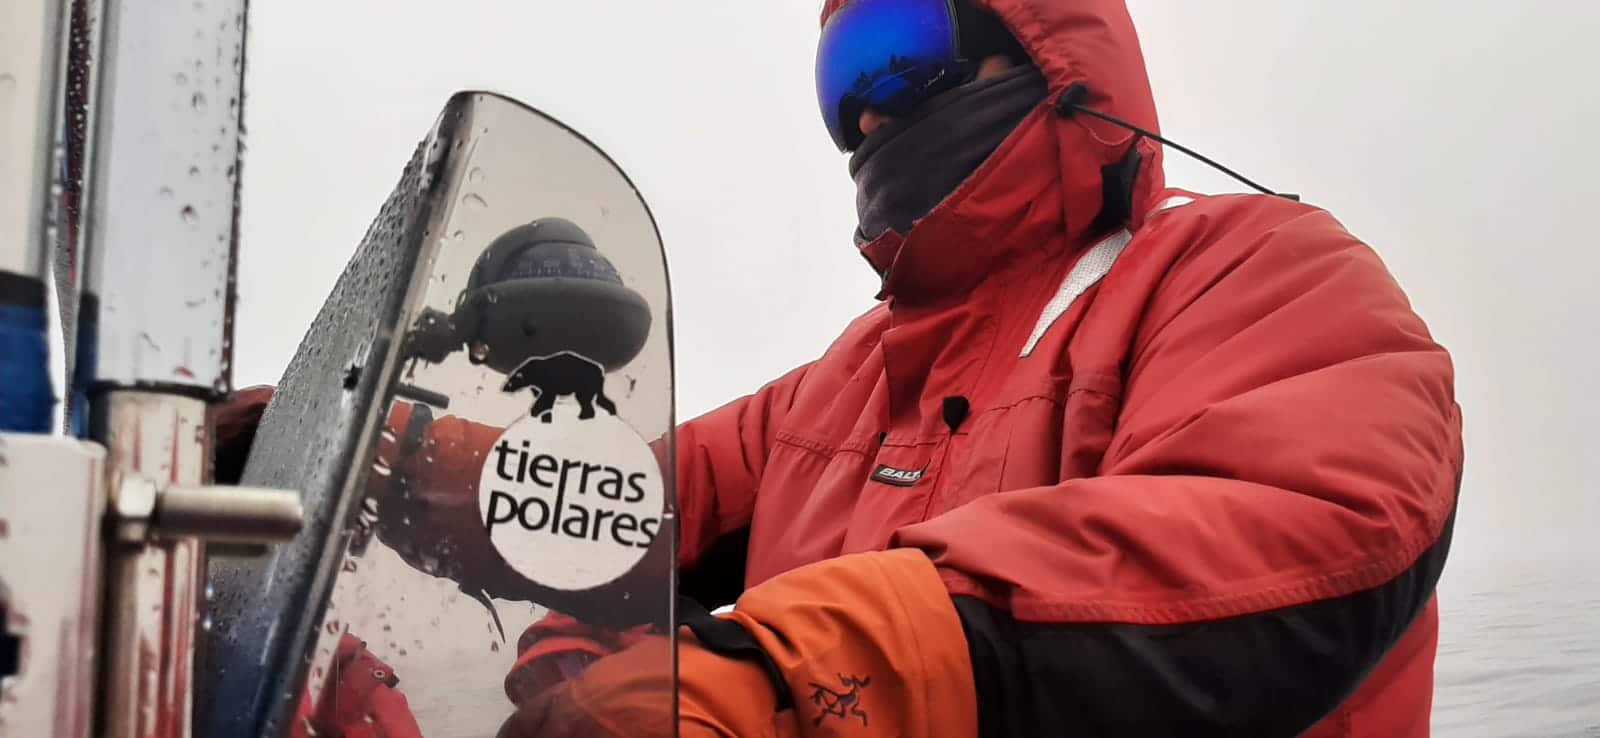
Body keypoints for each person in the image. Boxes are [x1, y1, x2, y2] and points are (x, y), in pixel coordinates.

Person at [220, 0, 1463, 735]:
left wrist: (766, 681)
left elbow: (1301, 520)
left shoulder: (1250, 265)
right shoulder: (852, 377)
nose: (867, 113)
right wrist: (338, 448)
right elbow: (607, 505)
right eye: (841, 83)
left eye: (899, 49)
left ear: (1044, 46)